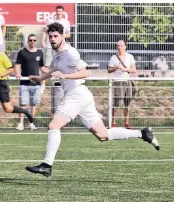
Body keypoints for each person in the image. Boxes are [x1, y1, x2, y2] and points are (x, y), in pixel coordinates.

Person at [25, 23, 160, 177]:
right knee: (103, 135)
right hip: (81, 96)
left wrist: (66, 76)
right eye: (50, 37)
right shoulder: (57, 54)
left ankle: (47, 165)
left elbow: (85, 73)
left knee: (54, 125)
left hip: (76, 95)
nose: (53, 39)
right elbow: (54, 69)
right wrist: (40, 77)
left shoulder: (70, 53)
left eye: (56, 36)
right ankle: (143, 134)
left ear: (63, 36)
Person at [0, 39, 34, 135]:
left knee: (7, 109)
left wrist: (1, 75)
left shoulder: (2, 56)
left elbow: (11, 69)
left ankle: (26, 112)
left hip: (1, 84)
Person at [42, 5, 71, 115]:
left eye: (60, 11)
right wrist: (44, 41)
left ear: (63, 12)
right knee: (46, 65)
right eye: (57, 11)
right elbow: (45, 31)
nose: (59, 13)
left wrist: (61, 36)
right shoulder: (50, 20)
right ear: (55, 12)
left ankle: (60, 80)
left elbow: (68, 33)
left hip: (61, 47)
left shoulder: (66, 22)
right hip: (50, 47)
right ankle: (43, 84)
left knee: (60, 65)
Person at [14, 34, 47, 130]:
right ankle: (20, 123)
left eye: (34, 40)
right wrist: (17, 73)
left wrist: (51, 73)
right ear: (28, 41)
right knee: (23, 104)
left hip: (36, 84)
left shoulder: (40, 53)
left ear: (36, 41)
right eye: (30, 40)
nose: (32, 42)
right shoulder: (22, 52)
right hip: (24, 83)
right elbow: (17, 64)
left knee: (33, 104)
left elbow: (42, 67)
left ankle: (31, 122)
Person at [108, 40, 137, 129]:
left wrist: (125, 69)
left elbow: (134, 70)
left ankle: (127, 122)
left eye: (121, 45)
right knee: (116, 103)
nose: (119, 47)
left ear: (125, 47)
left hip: (127, 81)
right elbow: (109, 70)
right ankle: (113, 121)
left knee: (127, 103)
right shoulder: (113, 57)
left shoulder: (130, 57)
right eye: (118, 46)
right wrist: (116, 67)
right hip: (117, 81)